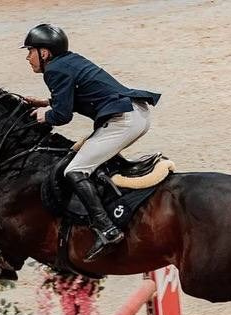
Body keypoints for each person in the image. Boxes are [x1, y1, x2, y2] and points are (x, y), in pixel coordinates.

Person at [22, 23, 161, 262]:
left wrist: (46, 115)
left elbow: (62, 116)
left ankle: (107, 229)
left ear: (44, 53)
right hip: (136, 113)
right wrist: (47, 103)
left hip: (123, 120)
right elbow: (78, 93)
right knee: (89, 157)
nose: (28, 57)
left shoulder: (53, 70)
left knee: (75, 170)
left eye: (30, 51)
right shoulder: (68, 61)